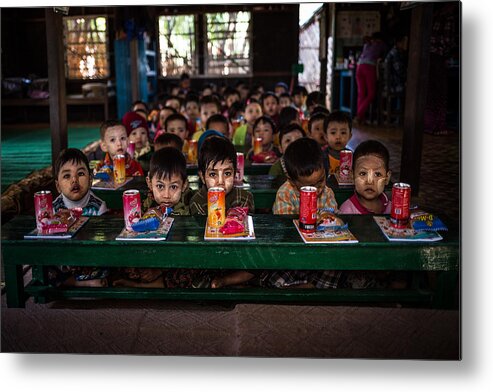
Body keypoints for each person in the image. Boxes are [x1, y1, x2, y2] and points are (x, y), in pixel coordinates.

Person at [113, 147, 191, 288]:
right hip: (149, 256)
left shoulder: (185, 208)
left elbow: (182, 251)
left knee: (186, 273)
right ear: (149, 183)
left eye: (173, 187)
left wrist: (159, 269)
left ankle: (150, 284)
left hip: (173, 259)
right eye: (160, 186)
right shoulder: (146, 205)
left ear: (184, 185)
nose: (166, 195)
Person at [269, 137, 340, 289]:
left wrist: (329, 220)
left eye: (320, 181)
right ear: (293, 181)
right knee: (272, 273)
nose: (317, 189)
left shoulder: (327, 193)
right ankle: (309, 286)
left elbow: (332, 219)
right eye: (308, 187)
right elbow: (284, 228)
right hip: (294, 254)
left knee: (337, 264)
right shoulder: (286, 193)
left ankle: (307, 286)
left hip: (320, 256)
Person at [190, 136, 255, 289]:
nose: (220, 181)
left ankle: (227, 280)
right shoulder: (197, 201)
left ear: (235, 173)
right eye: (213, 174)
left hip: (238, 253)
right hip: (210, 255)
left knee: (260, 264)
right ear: (202, 176)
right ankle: (229, 280)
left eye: (227, 173)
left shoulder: (244, 197)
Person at [48, 148, 109, 288]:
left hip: (88, 258)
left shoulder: (98, 207)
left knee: (110, 265)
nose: (74, 180)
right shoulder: (53, 209)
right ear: (58, 186)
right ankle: (78, 283)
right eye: (66, 176)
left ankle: (70, 283)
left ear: (91, 179)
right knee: (42, 265)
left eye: (80, 174)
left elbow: (102, 244)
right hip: (63, 259)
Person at [424, 2, 459, 135]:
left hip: (427, 56)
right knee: (440, 93)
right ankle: (438, 127)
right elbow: (447, 40)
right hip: (438, 56)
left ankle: (429, 126)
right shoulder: (448, 17)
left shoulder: (435, 15)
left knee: (430, 94)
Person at [339, 140, 391, 214]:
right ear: (352, 176)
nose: (369, 181)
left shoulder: (392, 209)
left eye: (377, 174)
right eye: (363, 173)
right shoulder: (347, 211)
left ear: (387, 178)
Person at [355, 31, 388, 124]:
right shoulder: (381, 44)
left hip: (359, 67)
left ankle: (360, 118)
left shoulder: (367, 44)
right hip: (369, 68)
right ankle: (359, 115)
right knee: (371, 94)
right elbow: (385, 55)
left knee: (361, 94)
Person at [324, 111, 352, 175]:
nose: (338, 137)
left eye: (343, 133)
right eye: (333, 133)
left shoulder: (352, 157)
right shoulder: (321, 157)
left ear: (349, 136)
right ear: (326, 137)